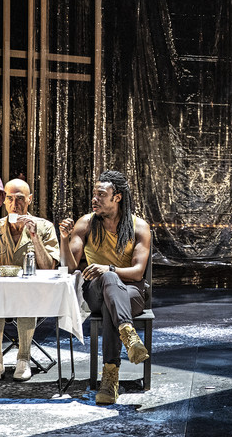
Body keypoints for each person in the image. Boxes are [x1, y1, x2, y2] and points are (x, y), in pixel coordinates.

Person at [59, 169, 151, 405]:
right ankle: (128, 334)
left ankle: (109, 380)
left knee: (111, 291)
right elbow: (69, 267)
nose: (94, 199)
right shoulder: (86, 223)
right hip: (96, 293)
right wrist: (64, 238)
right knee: (108, 281)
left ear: (117, 197)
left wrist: (108, 269)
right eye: (94, 194)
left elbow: (138, 272)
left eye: (101, 194)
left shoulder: (139, 227)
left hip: (132, 293)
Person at [0, 178, 60, 383]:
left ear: (29, 199)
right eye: (10, 198)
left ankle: (24, 358)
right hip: (1, 295)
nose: (15, 204)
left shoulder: (44, 227)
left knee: (25, 299)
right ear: (4, 200)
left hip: (33, 296)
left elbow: (49, 267)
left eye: (20, 198)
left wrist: (34, 236)